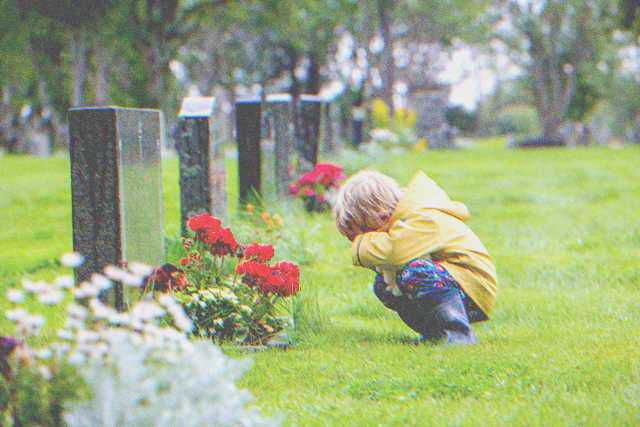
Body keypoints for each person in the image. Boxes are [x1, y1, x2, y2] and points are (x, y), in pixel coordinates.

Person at [334, 170, 497, 344]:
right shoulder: (405, 220)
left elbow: (394, 253)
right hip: (453, 283)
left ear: (381, 215)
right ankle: (436, 334)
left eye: (365, 232)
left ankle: (459, 334)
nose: (364, 238)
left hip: (473, 288)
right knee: (383, 284)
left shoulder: (420, 218)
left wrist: (361, 246)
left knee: (416, 272)